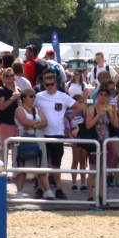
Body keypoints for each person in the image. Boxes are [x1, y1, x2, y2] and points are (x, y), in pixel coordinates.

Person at [34, 69, 86, 200]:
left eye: (52, 84)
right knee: (42, 163)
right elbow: (31, 108)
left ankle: (58, 188)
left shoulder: (63, 96)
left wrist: (68, 117)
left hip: (57, 134)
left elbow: (78, 107)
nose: (49, 87)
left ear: (56, 83)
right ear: (43, 84)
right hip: (43, 133)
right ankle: (41, 188)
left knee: (56, 164)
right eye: (47, 84)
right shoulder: (39, 96)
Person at [13, 88, 52, 199]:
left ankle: (48, 191)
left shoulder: (37, 110)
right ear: (24, 98)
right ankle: (19, 192)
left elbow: (45, 122)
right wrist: (36, 123)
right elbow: (24, 122)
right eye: (30, 96)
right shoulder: (19, 110)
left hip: (38, 138)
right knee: (22, 166)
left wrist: (33, 124)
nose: (33, 98)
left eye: (34, 96)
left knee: (41, 165)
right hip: (24, 139)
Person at [82, 86, 118, 202]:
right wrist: (98, 115)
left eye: (106, 95)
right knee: (93, 169)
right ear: (97, 96)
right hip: (95, 141)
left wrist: (113, 113)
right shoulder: (92, 108)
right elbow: (88, 125)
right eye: (101, 94)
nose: (103, 97)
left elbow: (116, 125)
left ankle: (102, 196)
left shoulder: (108, 107)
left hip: (105, 141)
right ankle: (90, 195)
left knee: (103, 171)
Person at [0, 67, 20, 161]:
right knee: (4, 148)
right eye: (7, 76)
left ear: (14, 77)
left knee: (16, 149)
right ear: (3, 78)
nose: (9, 77)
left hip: (16, 123)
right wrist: (12, 98)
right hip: (5, 122)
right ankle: (3, 170)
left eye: (11, 75)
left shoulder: (18, 90)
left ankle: (15, 172)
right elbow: (1, 107)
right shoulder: (1, 90)